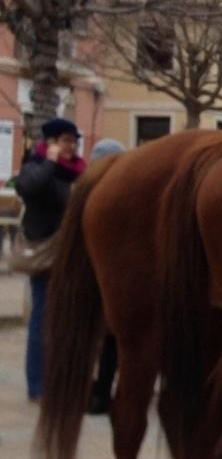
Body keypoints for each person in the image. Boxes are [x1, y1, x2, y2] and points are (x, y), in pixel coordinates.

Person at [14, 117, 87, 404]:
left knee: (62, 321)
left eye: (74, 141)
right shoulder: (37, 166)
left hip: (70, 256)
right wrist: (49, 162)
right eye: (66, 141)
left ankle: (58, 381)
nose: (72, 147)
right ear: (52, 143)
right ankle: (38, 385)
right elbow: (28, 189)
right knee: (43, 319)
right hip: (46, 254)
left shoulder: (74, 173)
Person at [87, 138, 125, 415]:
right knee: (109, 340)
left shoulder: (93, 191)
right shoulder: (106, 193)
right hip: (104, 280)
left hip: (105, 279)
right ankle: (99, 391)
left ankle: (100, 391)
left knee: (110, 340)